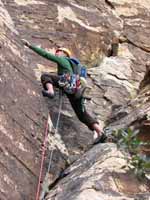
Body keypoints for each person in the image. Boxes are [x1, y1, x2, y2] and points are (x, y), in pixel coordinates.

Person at [21, 39, 106, 144]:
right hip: (76, 89)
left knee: (45, 76)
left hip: (67, 83)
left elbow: (46, 55)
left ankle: (50, 91)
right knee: (82, 115)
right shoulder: (71, 67)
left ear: (65, 54)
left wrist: (30, 45)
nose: (57, 53)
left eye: (59, 51)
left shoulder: (64, 60)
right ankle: (100, 132)